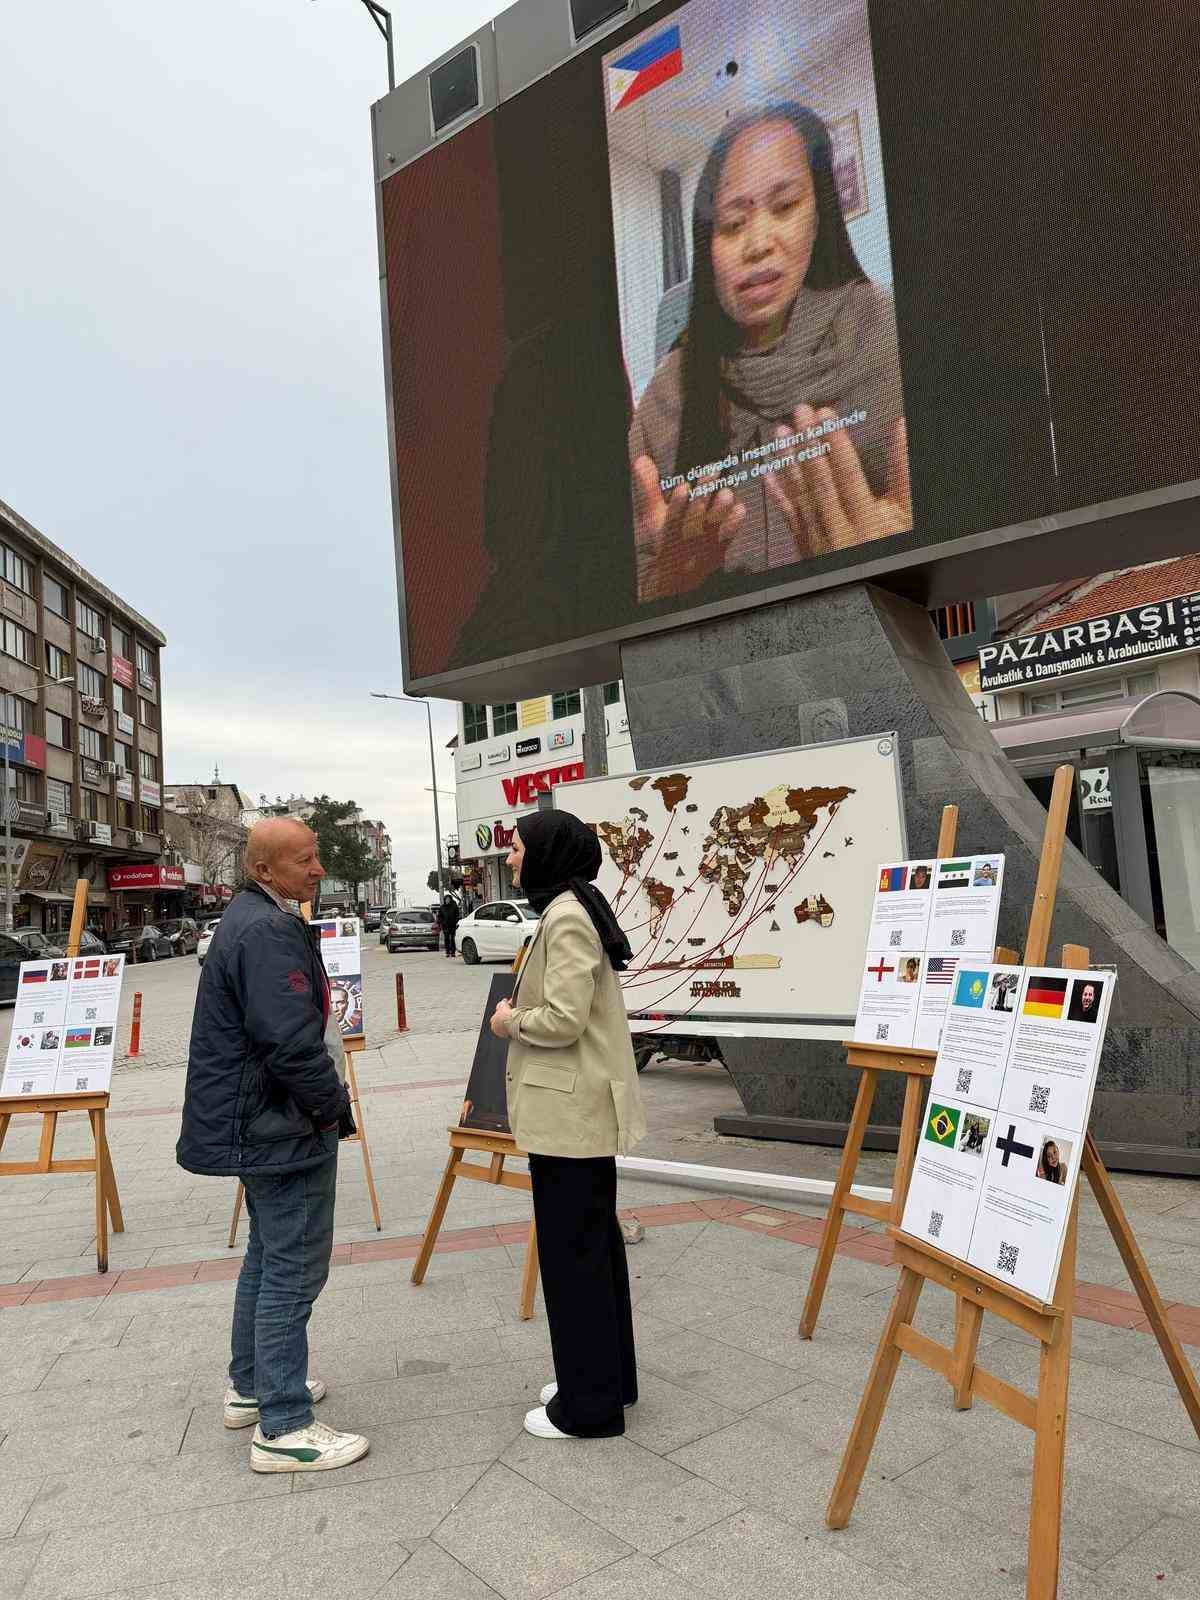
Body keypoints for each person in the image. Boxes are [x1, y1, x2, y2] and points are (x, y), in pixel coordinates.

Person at [629, 102, 907, 602]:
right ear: (705, 245)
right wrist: (668, 584)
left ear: (819, 216)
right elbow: (623, 590)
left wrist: (903, 549)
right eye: (733, 223)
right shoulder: (666, 396)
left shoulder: (884, 335)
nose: (758, 243)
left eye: (784, 207)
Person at [177, 818, 369, 1474]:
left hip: (264, 1123)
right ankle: (284, 1427)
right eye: (305, 859)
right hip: (282, 1125)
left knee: (267, 1256)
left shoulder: (253, 917)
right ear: (264, 870)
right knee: (294, 1265)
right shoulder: (265, 931)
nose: (318, 869)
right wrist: (333, 1109)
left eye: (316, 856)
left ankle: (253, 1387)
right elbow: (290, 1043)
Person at [489, 811, 647, 1440]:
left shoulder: (566, 915)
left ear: (549, 852)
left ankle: (588, 1407)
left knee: (573, 1256)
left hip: (569, 1112)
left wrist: (509, 1021)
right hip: (575, 1111)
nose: (510, 858)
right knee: (594, 1248)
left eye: (519, 847)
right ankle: (606, 1379)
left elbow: (563, 1019)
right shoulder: (574, 908)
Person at [440, 894, 460, 959]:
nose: (447, 900)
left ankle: (453, 952)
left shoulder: (454, 906)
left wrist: (455, 921)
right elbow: (439, 916)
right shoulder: (442, 907)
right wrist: (442, 922)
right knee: (446, 939)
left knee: (452, 939)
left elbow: (457, 915)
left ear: (450, 899)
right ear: (444, 900)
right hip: (445, 926)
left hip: (453, 925)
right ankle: (447, 952)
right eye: (446, 899)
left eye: (448, 899)